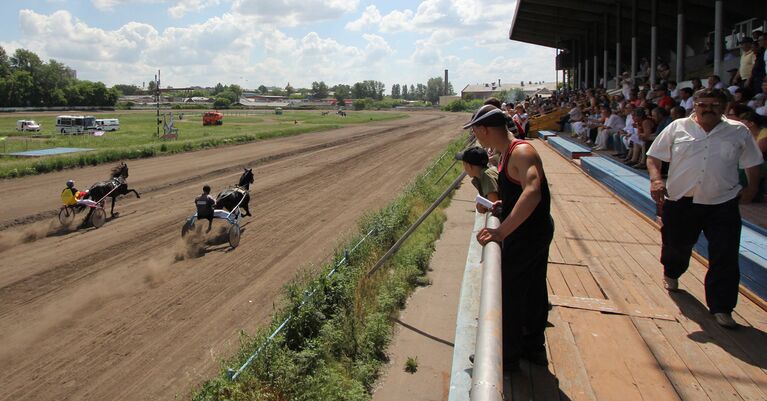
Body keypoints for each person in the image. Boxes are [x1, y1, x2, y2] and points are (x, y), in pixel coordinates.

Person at [646, 88, 763, 328]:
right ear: (694, 106)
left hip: (722, 202)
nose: (707, 109)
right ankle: (672, 272)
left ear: (724, 107)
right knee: (676, 246)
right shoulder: (677, 127)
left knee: (725, 254)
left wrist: (751, 188)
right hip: (681, 200)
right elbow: (654, 156)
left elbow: (753, 162)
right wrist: (656, 179)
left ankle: (722, 307)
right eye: (702, 104)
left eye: (714, 105)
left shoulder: (738, 131)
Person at [466, 105, 554, 371]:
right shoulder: (506, 153)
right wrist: (500, 205)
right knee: (531, 291)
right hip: (529, 231)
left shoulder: (522, 151)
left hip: (527, 235)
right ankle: (531, 346)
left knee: (510, 293)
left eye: (475, 131)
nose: (476, 137)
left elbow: (533, 192)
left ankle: (506, 355)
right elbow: (518, 193)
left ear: (483, 129)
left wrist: (501, 231)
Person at [455, 146, 500, 213]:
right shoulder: (487, 172)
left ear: (469, 166)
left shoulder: (486, 176)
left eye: (464, 164)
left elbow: (494, 204)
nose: (464, 167)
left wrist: (482, 205)